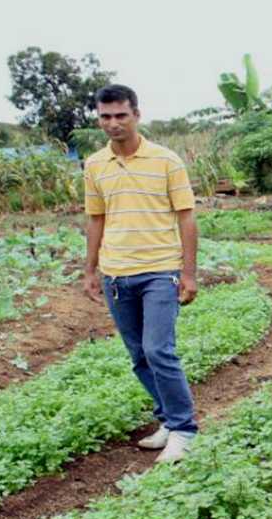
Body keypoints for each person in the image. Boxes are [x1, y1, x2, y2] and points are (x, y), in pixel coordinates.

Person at [82, 84, 200, 463]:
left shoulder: (166, 161)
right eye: (105, 116)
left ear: (136, 115)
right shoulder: (95, 165)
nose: (113, 123)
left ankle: (183, 429)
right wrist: (90, 269)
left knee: (158, 349)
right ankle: (167, 418)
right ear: (99, 118)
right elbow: (95, 218)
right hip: (116, 275)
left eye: (121, 115)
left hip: (159, 271)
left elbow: (187, 216)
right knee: (138, 355)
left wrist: (189, 272)